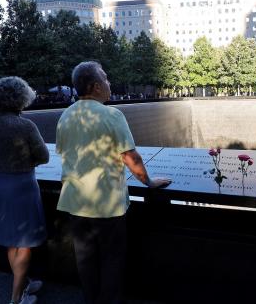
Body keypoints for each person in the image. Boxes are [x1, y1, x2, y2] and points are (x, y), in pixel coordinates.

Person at [56, 61, 171, 304]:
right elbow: (130, 156)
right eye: (106, 79)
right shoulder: (112, 114)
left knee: (86, 260)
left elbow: (63, 152)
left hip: (74, 201)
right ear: (96, 86)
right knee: (112, 260)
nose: (110, 84)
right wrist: (149, 182)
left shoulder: (65, 115)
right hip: (106, 204)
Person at [0, 76, 50, 304]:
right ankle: (16, 298)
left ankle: (24, 284)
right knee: (26, 243)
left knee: (12, 240)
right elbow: (44, 156)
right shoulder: (25, 125)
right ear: (21, 98)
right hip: (23, 188)